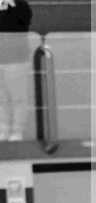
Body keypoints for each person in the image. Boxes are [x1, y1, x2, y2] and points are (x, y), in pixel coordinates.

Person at [0, 0, 32, 141]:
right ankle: (4, 130)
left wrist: (11, 5)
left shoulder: (21, 5)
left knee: (18, 98)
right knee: (2, 99)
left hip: (16, 60)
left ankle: (17, 131)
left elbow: (23, 24)